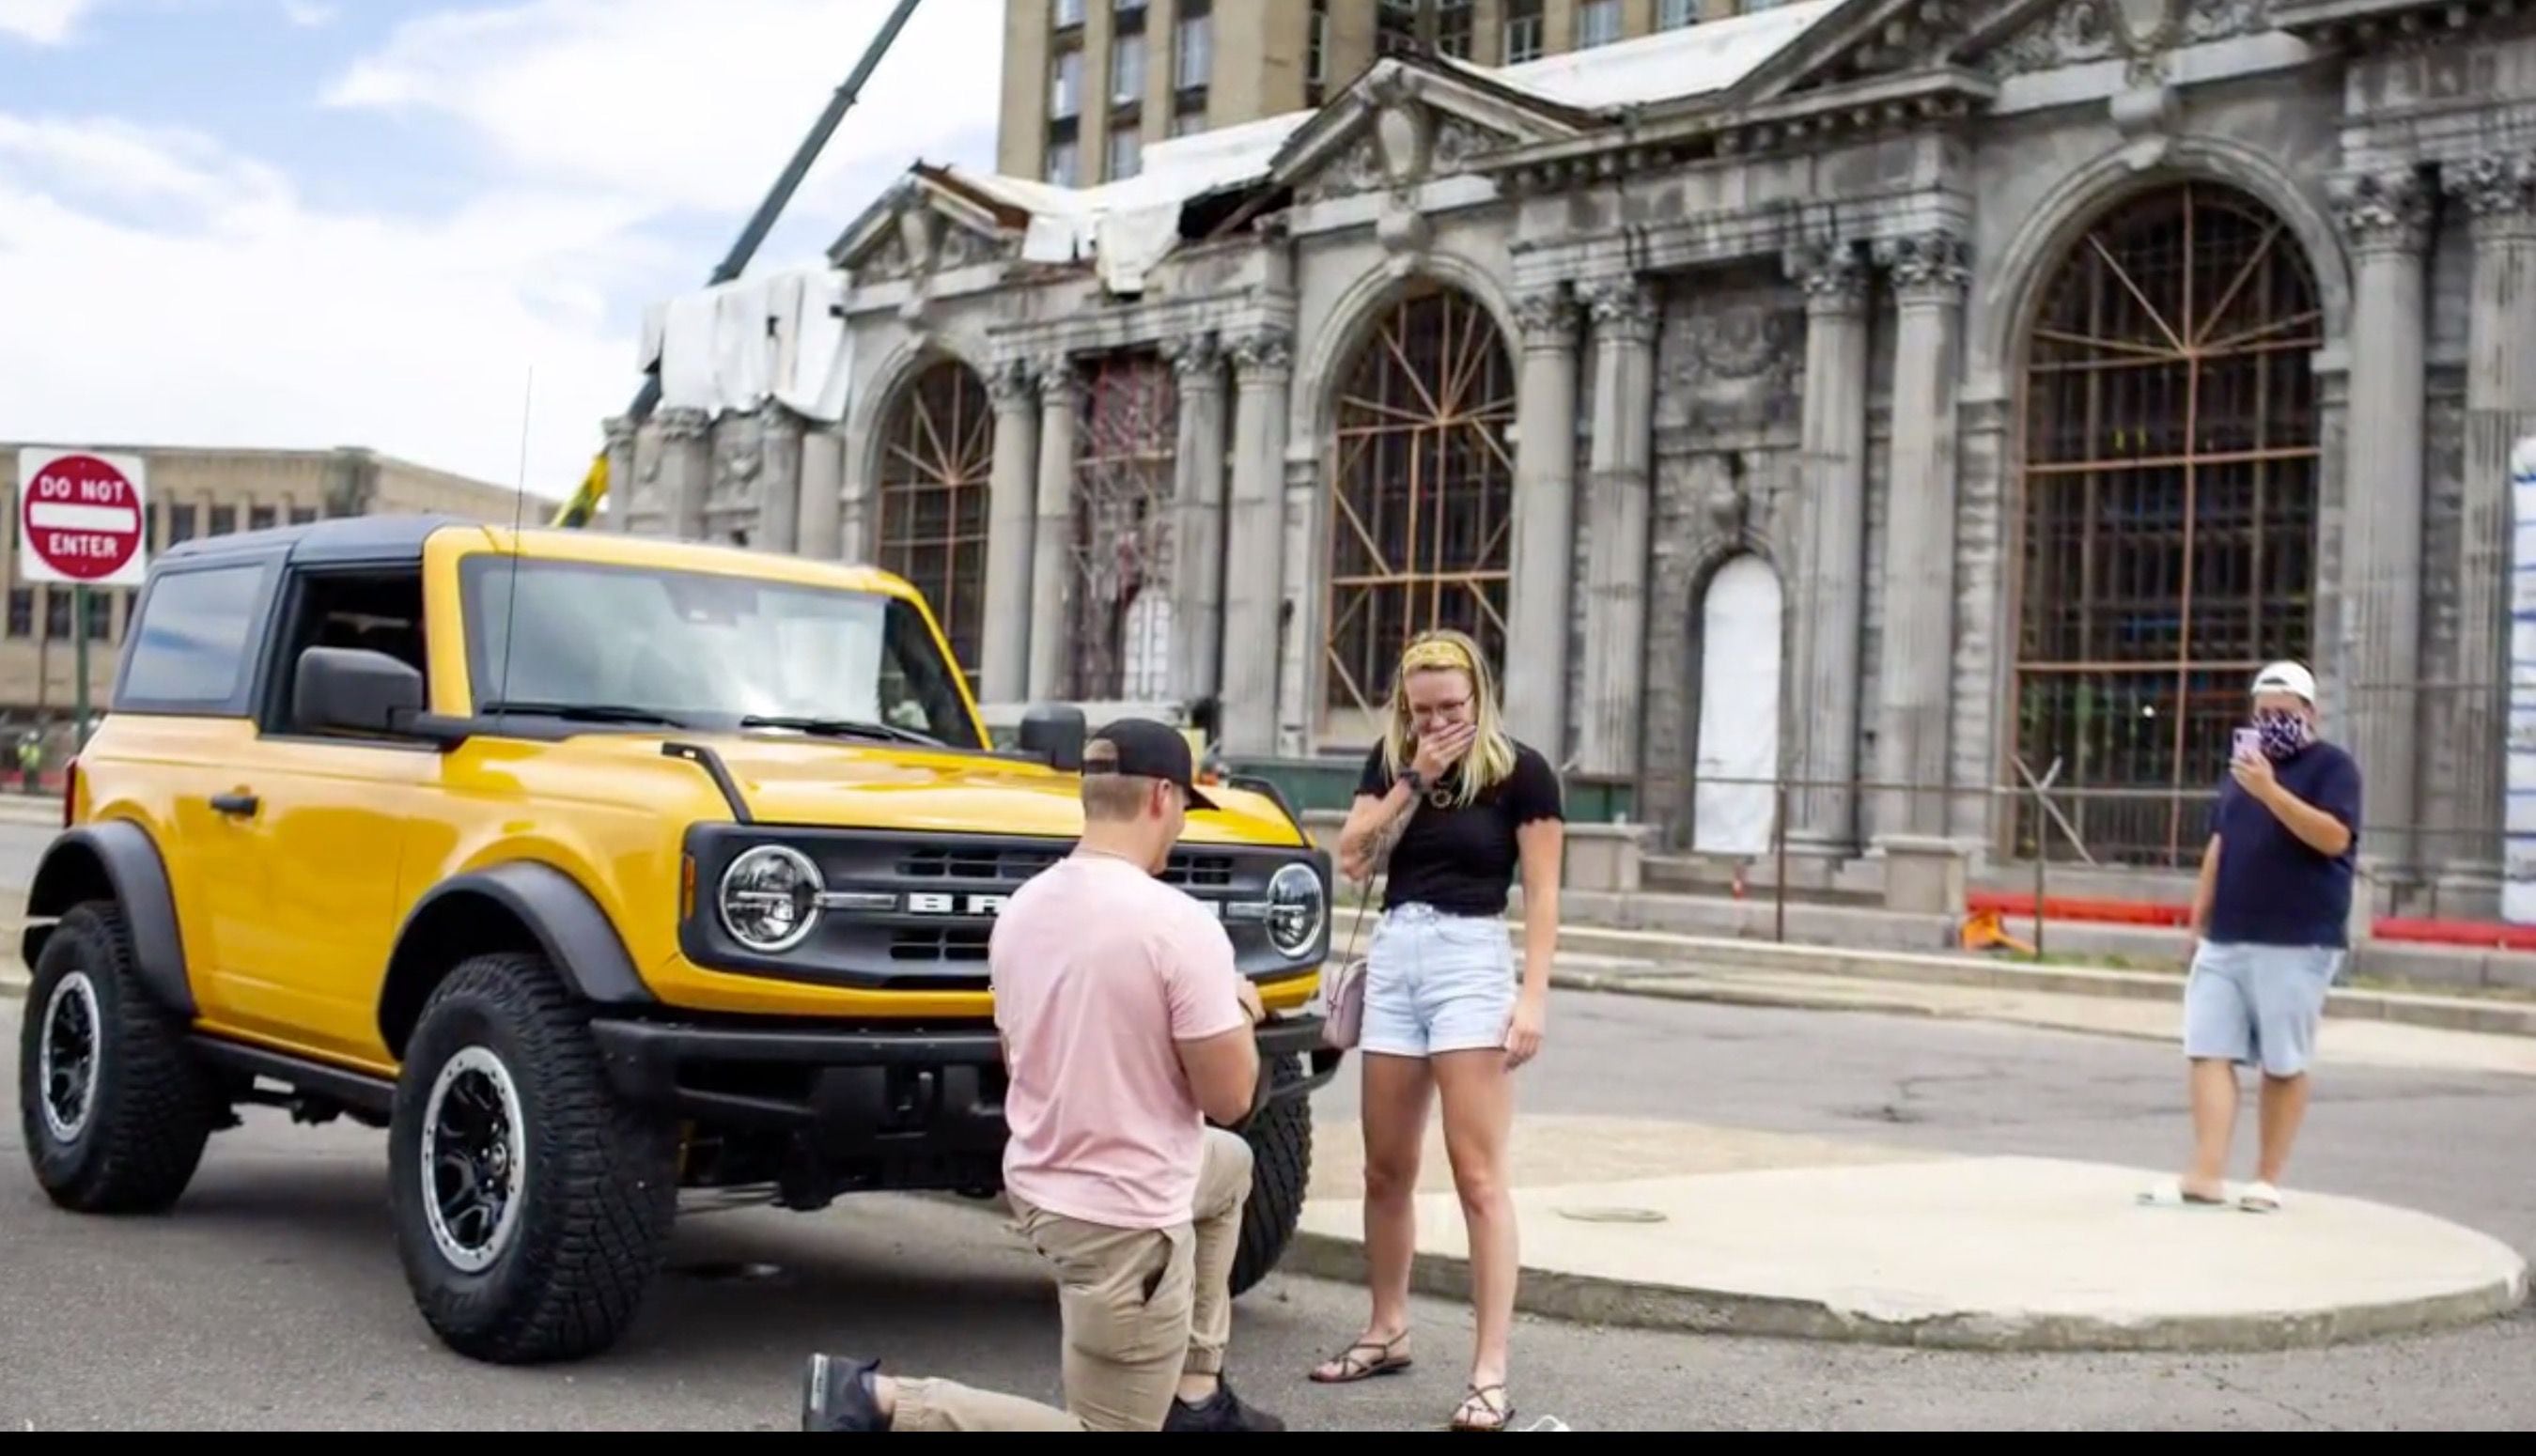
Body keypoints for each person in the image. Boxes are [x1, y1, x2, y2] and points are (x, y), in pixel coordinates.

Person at [800, 719, 1284, 1432]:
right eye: (1184, 805)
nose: (1182, 822)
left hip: (1043, 1180)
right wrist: (1239, 1010)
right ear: (1160, 797)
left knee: (1229, 1168)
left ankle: (1195, 1395)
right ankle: (879, 1402)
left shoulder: (1022, 910)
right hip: (1124, 1219)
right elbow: (1231, 1097)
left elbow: (1016, 1053)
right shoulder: (1178, 925)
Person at [1310, 629, 1564, 1432]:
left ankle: (1489, 1370)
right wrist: (1414, 778)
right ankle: (1386, 1329)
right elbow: (1351, 857)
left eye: (1451, 706)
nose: (1438, 720)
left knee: (1477, 1175)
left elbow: (1545, 896)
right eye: (1422, 710)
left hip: (1469, 958)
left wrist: (1531, 998)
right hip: (1396, 956)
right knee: (1385, 1168)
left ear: (1479, 697)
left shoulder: (1520, 772)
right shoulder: (1392, 763)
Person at [2142, 660, 2361, 1216]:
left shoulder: (2332, 768)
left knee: (2283, 1060)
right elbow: (2222, 843)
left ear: (2309, 713)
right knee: (2207, 1046)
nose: (2271, 724)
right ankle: (2206, 1172)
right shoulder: (2241, 770)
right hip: (2228, 934)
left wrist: (2271, 792)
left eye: (2283, 713)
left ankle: (2266, 1177)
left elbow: (2334, 837)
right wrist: (2198, 919)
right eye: (2262, 713)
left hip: (2296, 936)